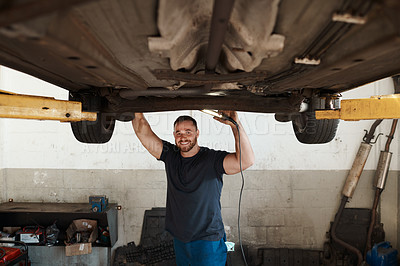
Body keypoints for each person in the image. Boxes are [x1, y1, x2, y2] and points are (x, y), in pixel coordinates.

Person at [132, 111, 254, 266]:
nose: (183, 137)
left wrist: (235, 126)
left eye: (188, 132)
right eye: (178, 133)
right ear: (174, 135)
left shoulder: (212, 159)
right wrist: (135, 109)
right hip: (181, 239)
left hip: (207, 240)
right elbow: (143, 133)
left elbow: (246, 161)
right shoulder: (171, 156)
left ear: (197, 133)